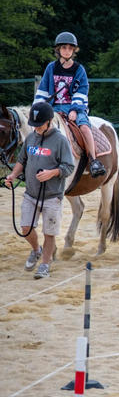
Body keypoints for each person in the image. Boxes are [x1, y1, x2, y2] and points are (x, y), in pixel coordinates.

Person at [4, 103, 75, 279]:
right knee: (25, 228)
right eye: (34, 124)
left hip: (52, 196)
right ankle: (36, 250)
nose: (36, 128)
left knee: (49, 232)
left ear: (49, 122)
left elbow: (68, 167)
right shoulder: (31, 138)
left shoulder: (60, 141)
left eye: (39, 124)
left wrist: (52, 173)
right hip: (31, 193)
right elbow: (22, 160)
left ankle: (45, 264)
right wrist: (13, 175)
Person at [33, 32, 104, 178]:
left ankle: (94, 161)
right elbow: (43, 89)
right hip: (53, 107)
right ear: (58, 50)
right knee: (36, 128)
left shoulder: (79, 70)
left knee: (84, 127)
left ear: (74, 51)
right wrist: (38, 109)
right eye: (64, 47)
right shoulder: (51, 68)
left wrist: (75, 109)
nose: (67, 50)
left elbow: (82, 90)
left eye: (70, 48)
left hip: (73, 106)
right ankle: (30, 161)